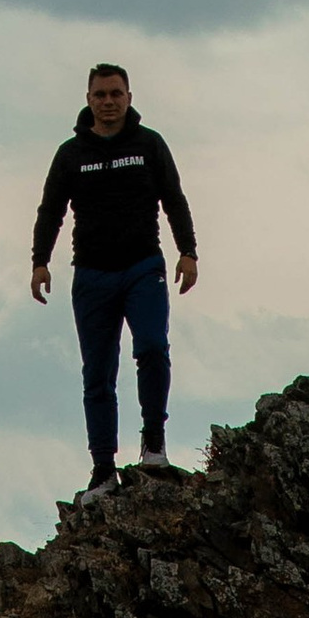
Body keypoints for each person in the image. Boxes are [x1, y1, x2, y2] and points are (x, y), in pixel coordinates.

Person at [29, 61, 198, 488]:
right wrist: (39, 261)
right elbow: (50, 210)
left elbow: (174, 199)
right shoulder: (71, 154)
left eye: (115, 94)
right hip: (92, 275)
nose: (108, 102)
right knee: (98, 373)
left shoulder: (149, 145)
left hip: (144, 267)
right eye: (100, 95)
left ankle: (154, 443)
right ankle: (103, 467)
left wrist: (188, 252)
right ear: (88, 100)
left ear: (129, 97)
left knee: (153, 348)